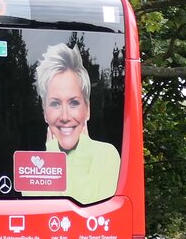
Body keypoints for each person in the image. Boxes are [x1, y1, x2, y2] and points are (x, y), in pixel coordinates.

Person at [26, 43, 120, 204]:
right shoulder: (31, 162)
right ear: (44, 112)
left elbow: (91, 211)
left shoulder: (107, 156)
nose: (64, 116)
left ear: (87, 109)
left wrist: (82, 154)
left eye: (73, 103)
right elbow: (45, 214)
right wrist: (52, 159)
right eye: (55, 104)